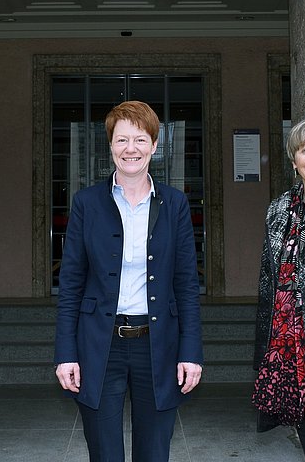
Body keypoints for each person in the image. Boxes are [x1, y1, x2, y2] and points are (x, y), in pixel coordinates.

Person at [54, 101, 203, 461]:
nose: (130, 149)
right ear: (110, 146)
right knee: (104, 452)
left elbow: (186, 284)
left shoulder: (175, 203)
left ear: (154, 145)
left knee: (154, 451)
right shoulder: (86, 203)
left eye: (140, 140)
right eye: (122, 140)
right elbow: (71, 283)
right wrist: (65, 353)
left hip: (159, 344)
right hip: (99, 346)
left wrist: (191, 352)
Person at [252, 117, 305, 462]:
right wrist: (263, 353)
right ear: (293, 159)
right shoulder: (278, 210)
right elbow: (268, 282)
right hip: (291, 347)